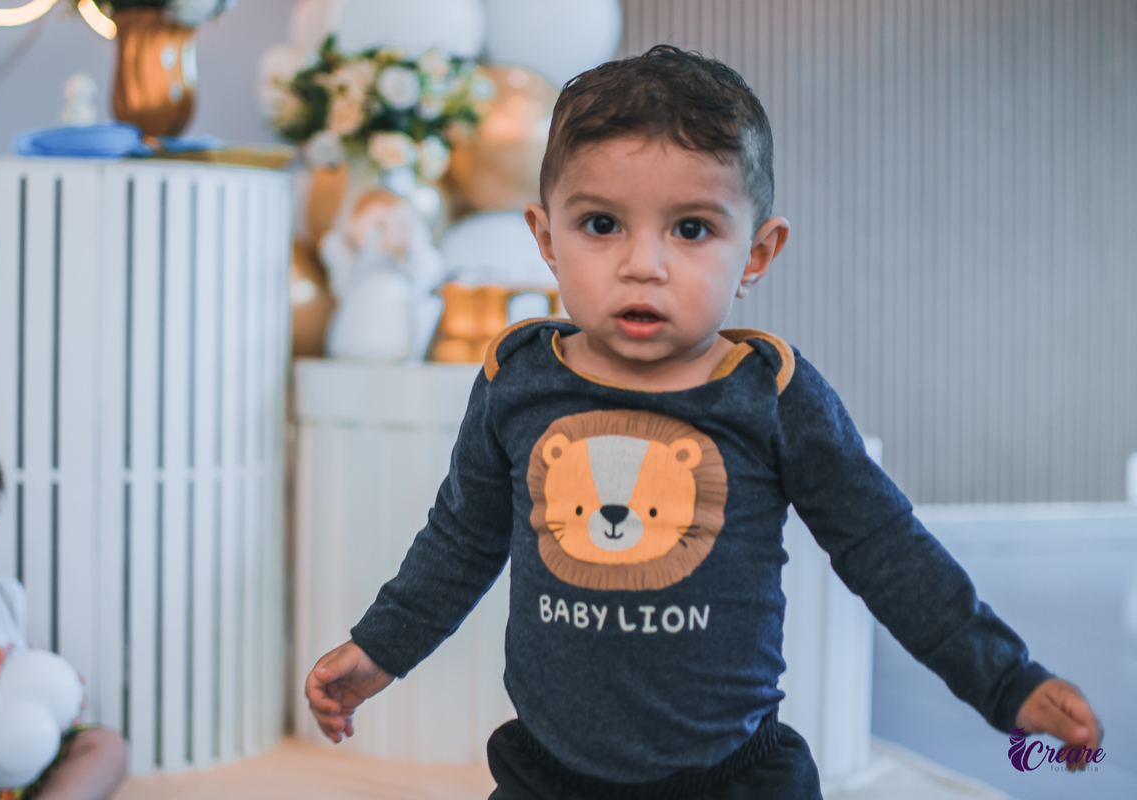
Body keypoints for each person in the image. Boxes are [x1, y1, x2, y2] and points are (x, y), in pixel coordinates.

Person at [306, 45, 1102, 798]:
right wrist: (382, 647)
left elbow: (887, 549)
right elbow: (459, 539)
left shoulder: (770, 394)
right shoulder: (518, 380)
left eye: (691, 230)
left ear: (755, 255)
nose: (642, 263)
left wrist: (1005, 677)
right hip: (549, 772)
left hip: (734, 775)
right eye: (601, 225)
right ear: (546, 239)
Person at [0, 419, 127, 800]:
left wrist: (62, 695)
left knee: (107, 746)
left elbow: (36, 665)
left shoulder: (7, 598)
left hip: (23, 756)